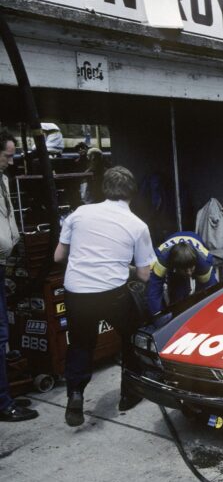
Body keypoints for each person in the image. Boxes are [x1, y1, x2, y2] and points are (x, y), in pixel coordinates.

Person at [54, 166, 156, 426]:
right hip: (112, 292)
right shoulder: (137, 225)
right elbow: (145, 275)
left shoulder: (79, 213)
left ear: (104, 189)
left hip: (76, 290)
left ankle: (75, 393)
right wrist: (126, 267)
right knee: (131, 335)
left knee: (80, 343)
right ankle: (128, 394)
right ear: (132, 192)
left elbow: (58, 257)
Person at [0, 133, 37, 422]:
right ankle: (3, 403)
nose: (11, 162)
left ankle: (4, 397)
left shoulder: (3, 179)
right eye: (8, 155)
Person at [146, 232, 218, 315]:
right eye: (185, 270)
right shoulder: (161, 260)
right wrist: (159, 316)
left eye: (191, 269)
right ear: (175, 267)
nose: (189, 273)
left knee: (203, 294)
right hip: (171, 258)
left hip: (196, 250)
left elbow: (211, 291)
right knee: (177, 293)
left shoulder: (204, 262)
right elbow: (154, 292)